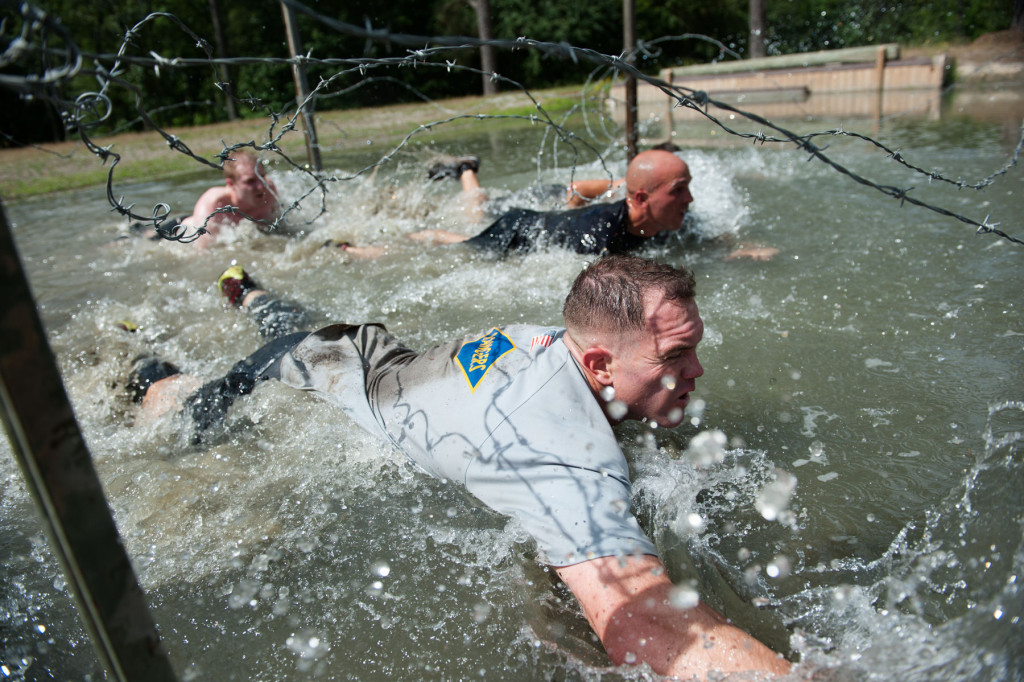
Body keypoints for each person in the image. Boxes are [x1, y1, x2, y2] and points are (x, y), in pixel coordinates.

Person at [133, 255, 792, 678]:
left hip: (361, 350)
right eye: (675, 356)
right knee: (178, 407)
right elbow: (643, 626)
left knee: (288, 323)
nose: (697, 371)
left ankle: (246, 291)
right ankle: (143, 366)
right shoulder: (559, 454)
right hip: (302, 373)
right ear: (598, 365)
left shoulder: (558, 343)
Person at [406, 149, 694, 257]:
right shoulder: (599, 233)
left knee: (476, 215)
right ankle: (390, 243)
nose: (689, 199)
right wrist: (568, 214)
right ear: (642, 197)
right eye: (679, 190)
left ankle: (465, 169)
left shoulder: (671, 219)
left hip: (544, 218)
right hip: (520, 228)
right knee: (465, 243)